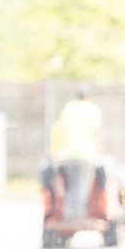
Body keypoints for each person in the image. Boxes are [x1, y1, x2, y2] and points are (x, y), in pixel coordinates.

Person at [51, 88, 104, 222]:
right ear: (88, 97)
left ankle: (67, 213)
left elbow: (60, 129)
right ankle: (77, 215)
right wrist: (99, 149)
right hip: (85, 154)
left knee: (71, 186)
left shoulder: (68, 109)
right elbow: (95, 132)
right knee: (82, 186)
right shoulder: (92, 109)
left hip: (67, 154)